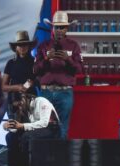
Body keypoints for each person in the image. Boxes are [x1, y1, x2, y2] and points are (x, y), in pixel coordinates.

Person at [34, 11, 83, 139]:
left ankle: (60, 159)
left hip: (65, 93)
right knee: (44, 128)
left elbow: (80, 69)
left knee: (63, 128)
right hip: (46, 92)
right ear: (53, 28)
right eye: (57, 27)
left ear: (66, 28)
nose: (59, 30)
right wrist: (46, 59)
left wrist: (68, 59)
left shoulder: (74, 46)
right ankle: (46, 159)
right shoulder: (44, 46)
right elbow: (35, 70)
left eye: (62, 27)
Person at [3, 92, 60, 166]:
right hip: (36, 129)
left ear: (24, 99)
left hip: (51, 128)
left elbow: (44, 123)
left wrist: (22, 125)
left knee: (26, 137)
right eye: (17, 106)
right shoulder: (26, 110)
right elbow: (20, 127)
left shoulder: (41, 101)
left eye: (20, 104)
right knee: (10, 136)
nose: (20, 108)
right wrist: (6, 127)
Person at [2, 31, 38, 111]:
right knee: (13, 123)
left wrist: (32, 83)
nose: (22, 47)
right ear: (16, 47)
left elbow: (40, 80)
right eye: (20, 45)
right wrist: (17, 87)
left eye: (24, 44)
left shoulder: (35, 62)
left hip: (31, 101)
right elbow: (3, 86)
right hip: (14, 102)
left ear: (28, 46)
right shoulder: (10, 63)